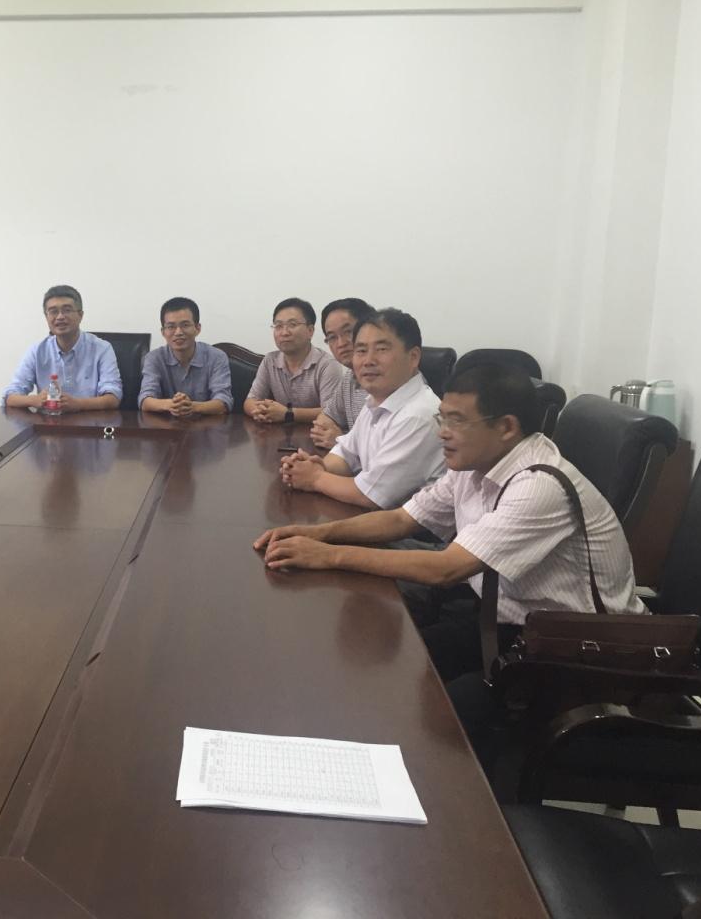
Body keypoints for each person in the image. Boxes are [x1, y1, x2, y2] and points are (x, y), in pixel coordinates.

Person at [255, 365, 641, 733]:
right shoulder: (475, 463)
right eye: (442, 418)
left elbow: (446, 568)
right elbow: (400, 519)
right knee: (394, 665)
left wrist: (329, 556)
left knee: (440, 715)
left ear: (506, 427)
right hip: (506, 619)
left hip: (578, 652)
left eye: (456, 421)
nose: (442, 432)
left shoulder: (539, 486)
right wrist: (319, 534)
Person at [280, 308, 443, 509]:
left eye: (381, 349)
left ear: (413, 357)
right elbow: (347, 453)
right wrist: (317, 466)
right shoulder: (376, 400)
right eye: (361, 351)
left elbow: (371, 495)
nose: (368, 361)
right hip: (374, 518)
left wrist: (315, 478)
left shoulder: (418, 415)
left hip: (411, 527)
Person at [3, 285, 122, 412]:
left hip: (90, 421)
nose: (60, 317)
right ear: (46, 317)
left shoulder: (102, 349)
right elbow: (10, 397)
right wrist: (35, 400)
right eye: (53, 311)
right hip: (47, 422)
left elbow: (113, 398)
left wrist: (78, 404)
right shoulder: (37, 351)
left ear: (80, 315)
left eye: (67, 310)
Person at [244, 298, 343, 425]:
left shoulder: (327, 365)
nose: (284, 332)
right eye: (278, 326)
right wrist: (260, 411)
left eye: (292, 325)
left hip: (316, 432)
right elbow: (250, 401)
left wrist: (288, 414)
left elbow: (332, 412)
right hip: (278, 434)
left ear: (310, 331)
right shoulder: (270, 360)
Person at [138, 297, 233, 417]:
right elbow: (145, 400)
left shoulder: (217, 357)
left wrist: (192, 407)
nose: (178, 332)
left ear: (197, 328)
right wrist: (171, 405)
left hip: (206, 425)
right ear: (163, 332)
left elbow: (224, 402)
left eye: (185, 325)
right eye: (171, 327)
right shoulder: (154, 358)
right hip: (165, 426)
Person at [309, 297, 375, 451]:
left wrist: (342, 440)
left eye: (348, 332)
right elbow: (324, 418)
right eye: (332, 337)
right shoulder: (350, 377)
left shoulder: (389, 380)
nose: (341, 343)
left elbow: (385, 448)